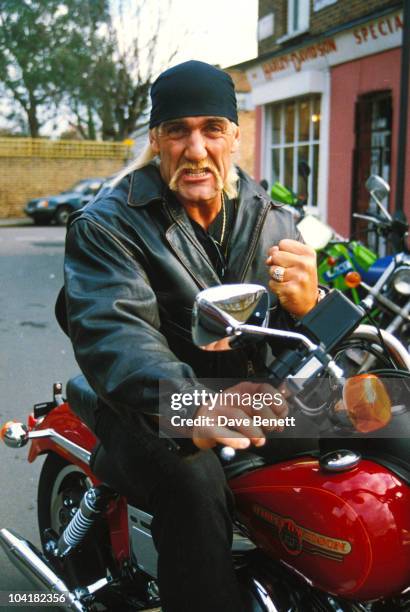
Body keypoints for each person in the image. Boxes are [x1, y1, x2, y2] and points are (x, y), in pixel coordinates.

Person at [63, 60, 319, 612]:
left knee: (377, 443)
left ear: (234, 135)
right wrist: (196, 407)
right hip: (150, 406)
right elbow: (117, 337)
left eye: (212, 129)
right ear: (156, 140)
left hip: (250, 401)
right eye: (178, 130)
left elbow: (303, 340)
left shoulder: (274, 215)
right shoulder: (107, 225)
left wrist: (312, 306)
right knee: (195, 485)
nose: (196, 148)